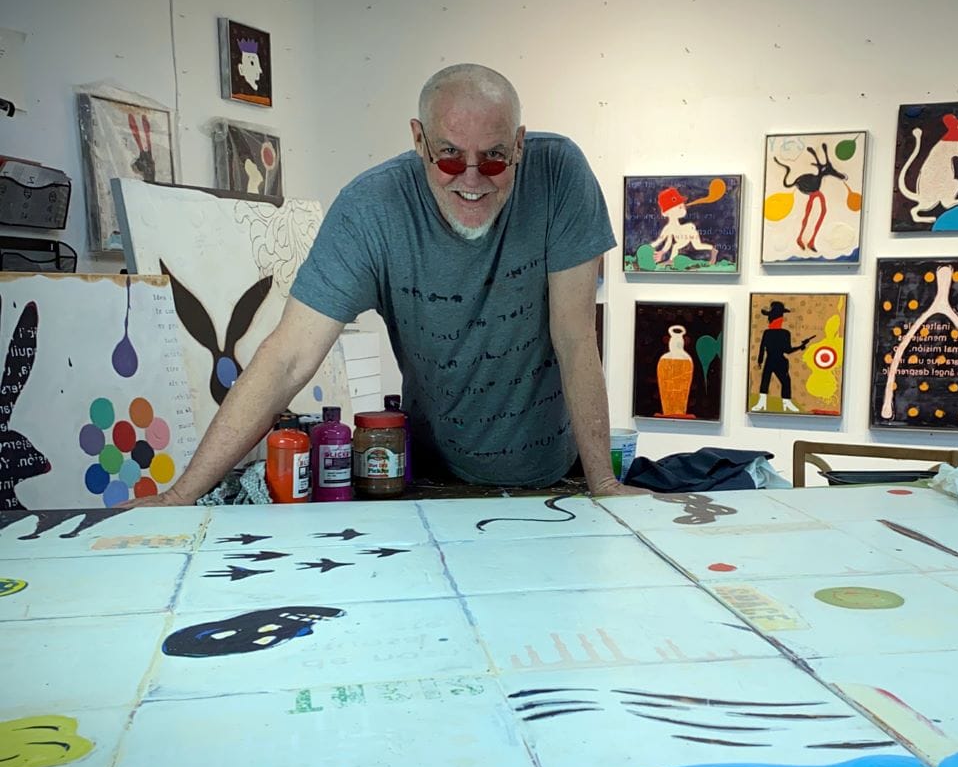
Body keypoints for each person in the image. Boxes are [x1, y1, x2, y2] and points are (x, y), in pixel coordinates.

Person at [131, 62, 635, 505]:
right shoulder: (371, 210)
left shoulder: (559, 174)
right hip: (433, 478)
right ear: (418, 140)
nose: (472, 178)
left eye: (495, 157)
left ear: (520, 144)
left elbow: (574, 336)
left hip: (552, 475)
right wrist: (180, 496)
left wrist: (603, 484)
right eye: (450, 155)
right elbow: (288, 358)